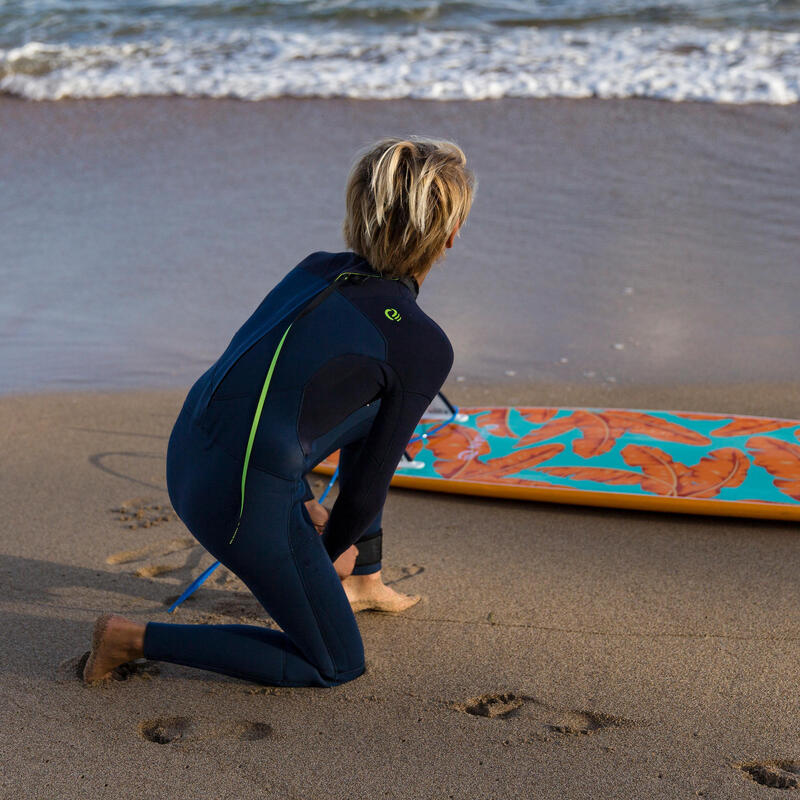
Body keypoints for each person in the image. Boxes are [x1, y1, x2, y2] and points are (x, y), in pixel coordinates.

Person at [84, 137, 475, 687]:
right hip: (238, 502)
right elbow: (364, 491)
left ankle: (365, 579)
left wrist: (311, 507)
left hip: (189, 453)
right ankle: (130, 638)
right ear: (451, 235)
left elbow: (268, 382)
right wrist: (328, 549)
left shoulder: (315, 270)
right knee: (336, 663)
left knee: (375, 401)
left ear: (357, 214)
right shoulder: (423, 346)